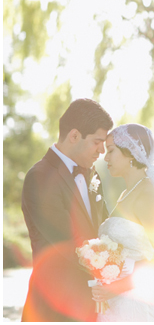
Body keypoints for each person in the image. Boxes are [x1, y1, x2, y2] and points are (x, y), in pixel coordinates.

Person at [21, 98, 114, 321]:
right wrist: (113, 269)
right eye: (97, 142)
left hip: (92, 306)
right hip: (55, 308)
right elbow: (68, 243)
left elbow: (107, 228)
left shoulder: (94, 175)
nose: (102, 150)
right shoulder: (40, 177)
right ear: (74, 136)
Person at [92, 123, 154, 321]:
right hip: (114, 303)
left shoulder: (146, 194)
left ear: (130, 154)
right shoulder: (127, 193)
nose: (106, 158)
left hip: (134, 303)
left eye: (111, 151)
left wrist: (116, 288)